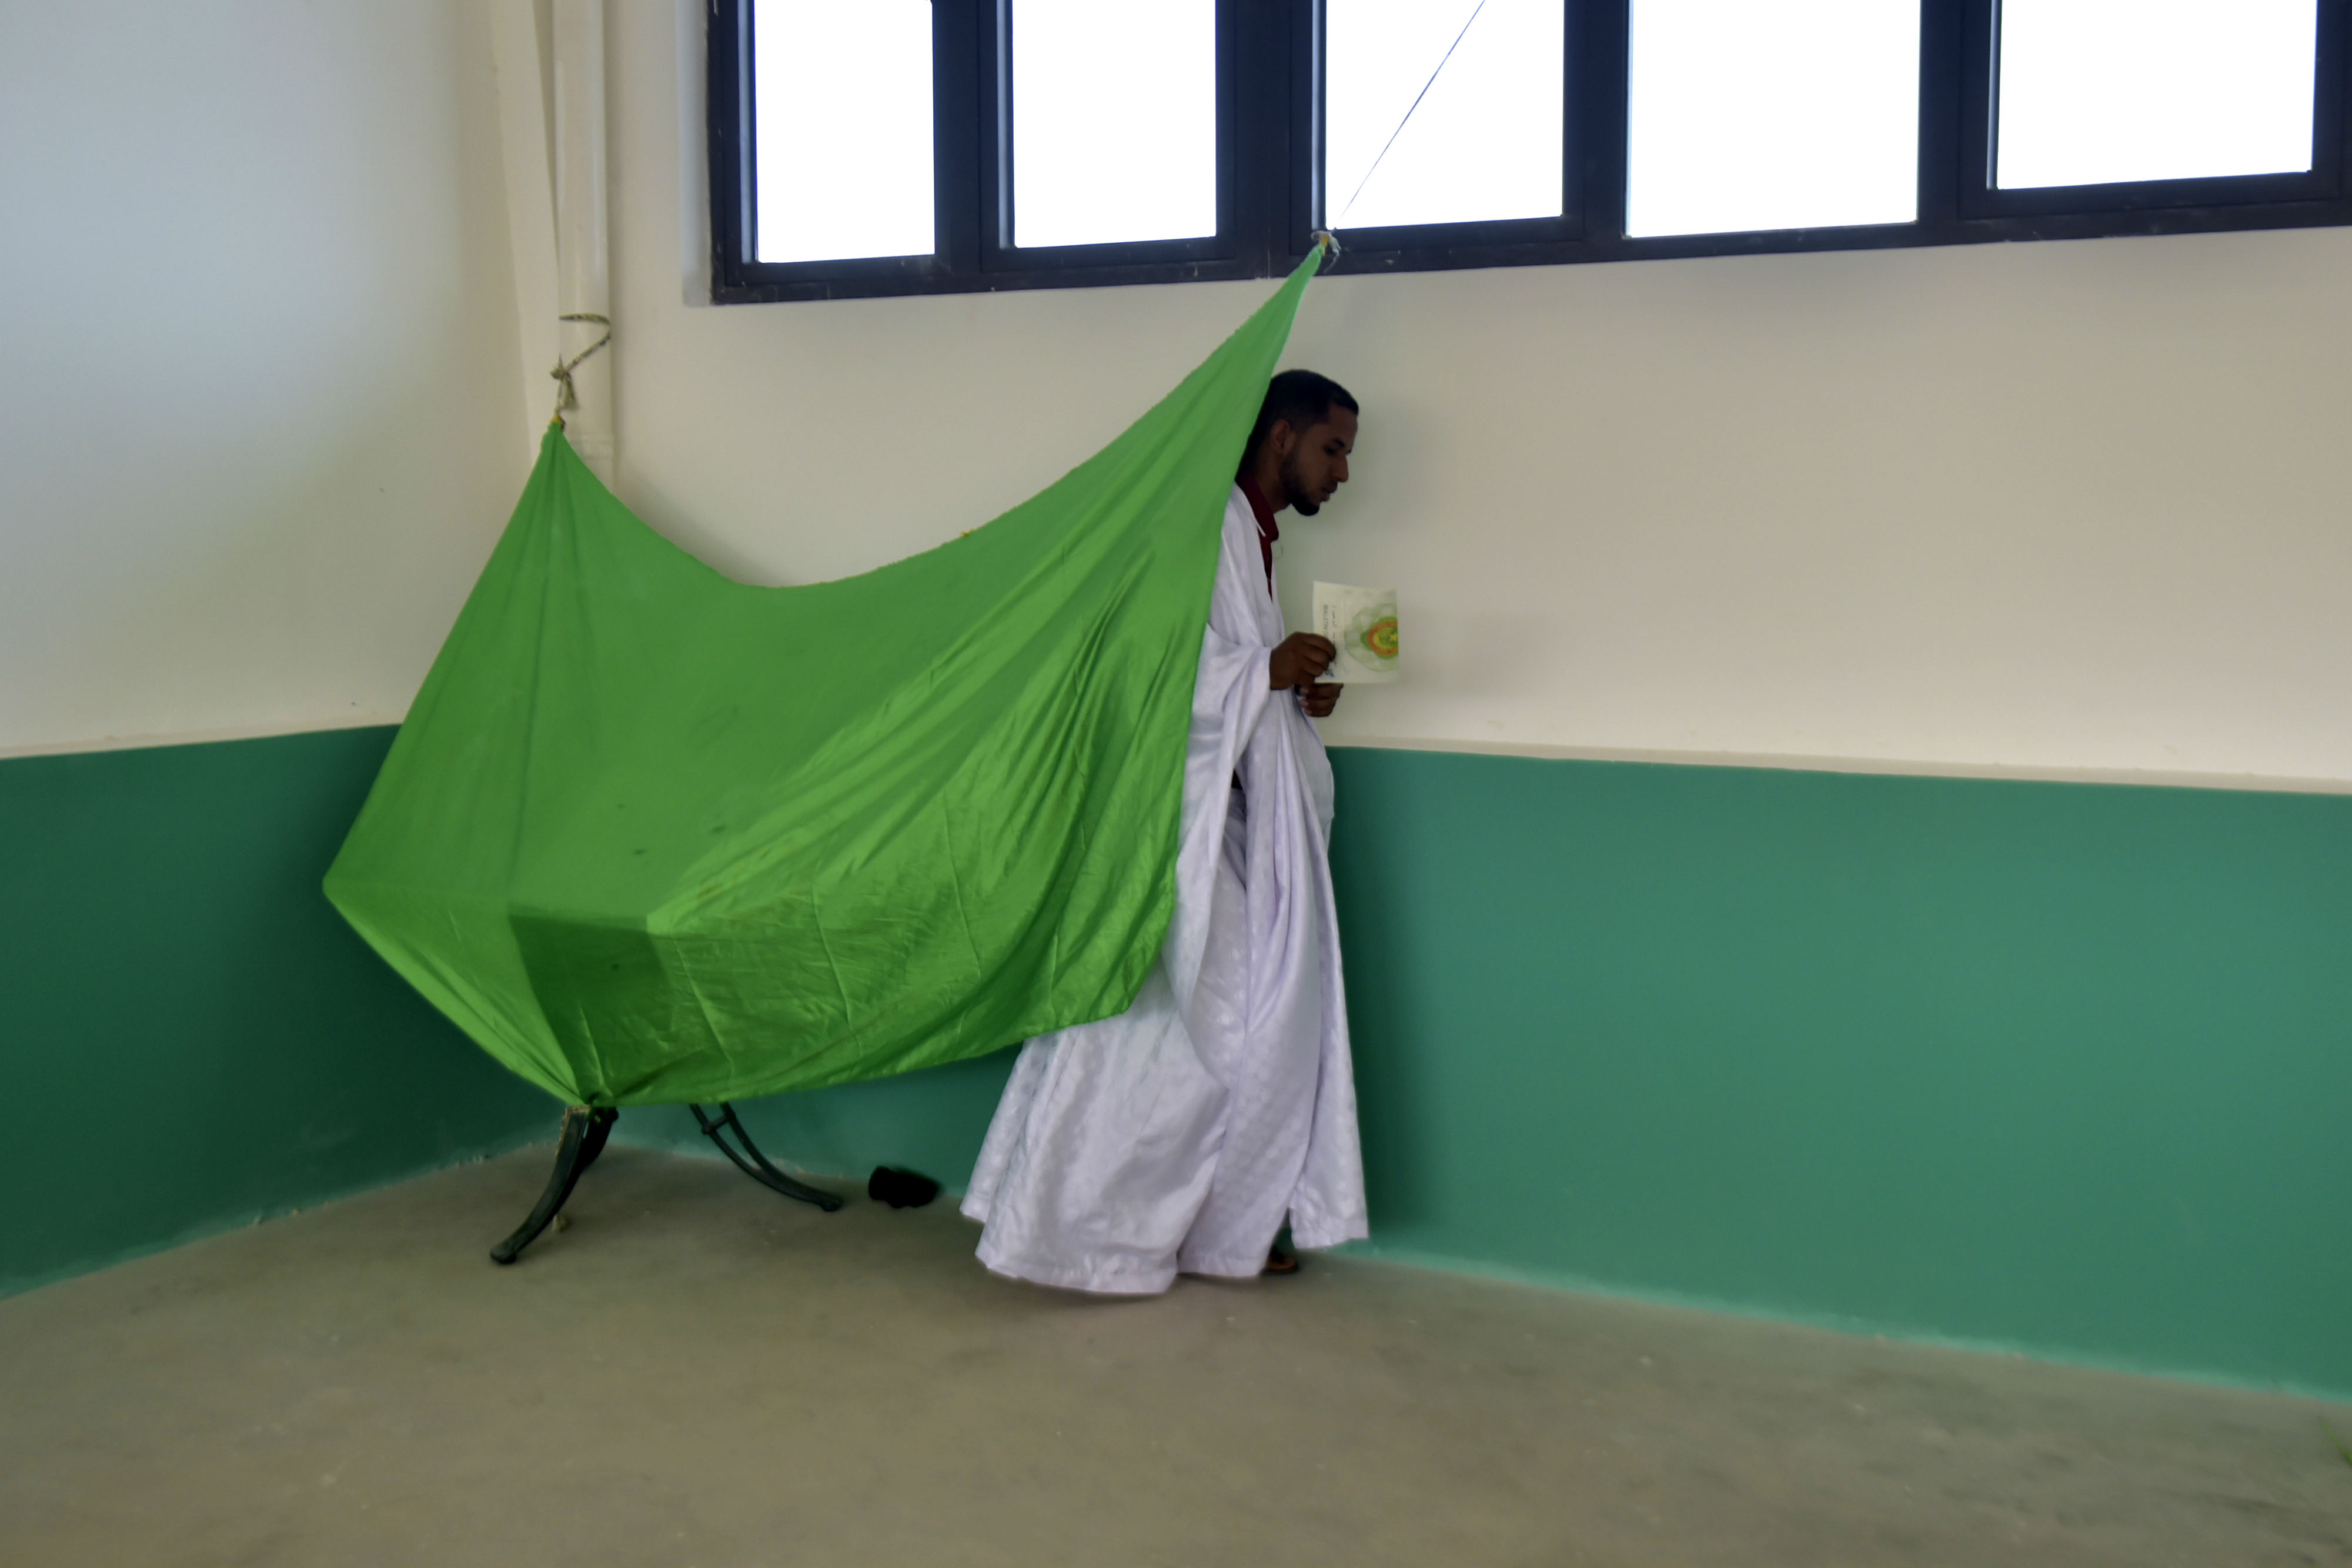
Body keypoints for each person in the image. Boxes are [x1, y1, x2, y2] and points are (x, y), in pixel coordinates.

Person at [962, 370, 1369, 1293]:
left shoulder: (1251, 538)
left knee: (1192, 1026)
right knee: (1218, 1027)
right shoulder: (1210, 523)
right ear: (1280, 439)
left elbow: (1226, 671)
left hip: (1221, 824)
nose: (1342, 473)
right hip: (1177, 827)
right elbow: (1145, 672)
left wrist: (1292, 687)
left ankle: (1199, 1225)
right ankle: (1098, 1229)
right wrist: (1258, 673)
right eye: (1332, 448)